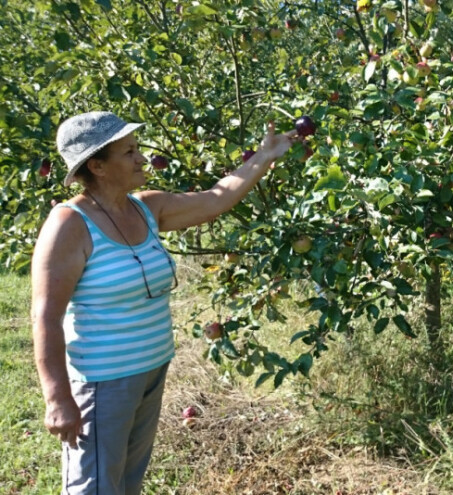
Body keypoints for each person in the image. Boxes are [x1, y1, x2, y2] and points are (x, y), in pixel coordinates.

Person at [31, 111, 300, 494]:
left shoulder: (146, 207)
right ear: (98, 166)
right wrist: (57, 397)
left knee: (126, 481)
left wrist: (265, 155)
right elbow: (45, 316)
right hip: (102, 382)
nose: (141, 158)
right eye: (128, 152)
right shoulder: (69, 225)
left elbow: (215, 200)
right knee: (94, 487)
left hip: (151, 371)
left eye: (137, 149)